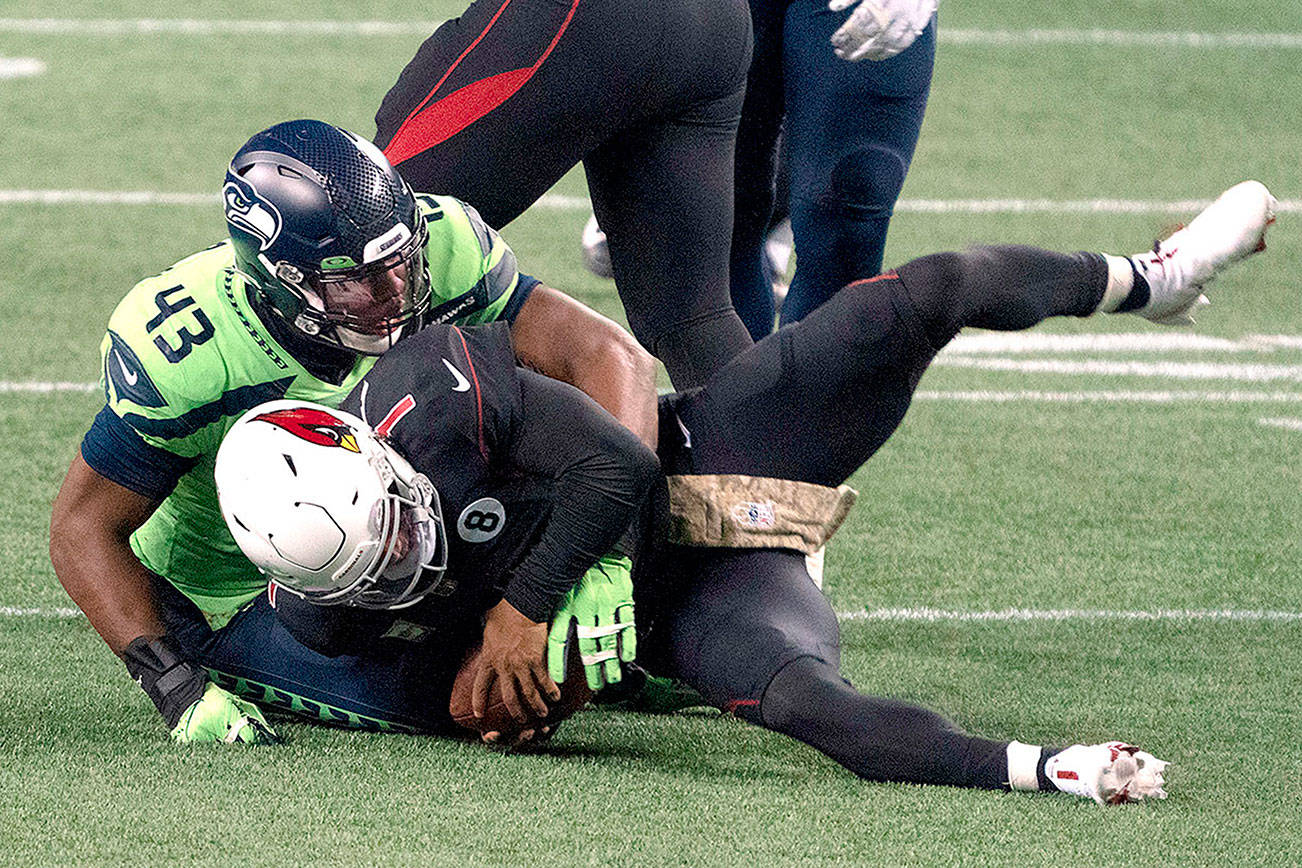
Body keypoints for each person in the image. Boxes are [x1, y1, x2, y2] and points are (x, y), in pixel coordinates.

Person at [215, 181, 1275, 799]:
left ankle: (1153, 278)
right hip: (690, 611)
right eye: (383, 571)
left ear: (378, 454)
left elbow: (617, 465)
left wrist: (541, 594)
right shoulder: (323, 618)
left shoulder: (435, 386)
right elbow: (466, 699)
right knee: (811, 708)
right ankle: (1054, 768)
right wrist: (507, 703)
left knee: (923, 294)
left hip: (696, 454)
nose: (409, 556)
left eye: (400, 528)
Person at [48, 119, 658, 745]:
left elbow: (613, 358)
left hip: (407, 522)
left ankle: (646, 634)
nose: (395, 291)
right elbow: (82, 527)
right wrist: (173, 684)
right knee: (484, 705)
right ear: (280, 280)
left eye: (399, 261)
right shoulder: (192, 353)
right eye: (354, 280)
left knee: (622, 481)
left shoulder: (436, 252)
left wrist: (607, 554)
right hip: (251, 590)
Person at [372, 0, 757, 389]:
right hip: (715, 21)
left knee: (369, 231)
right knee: (694, 320)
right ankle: (769, 450)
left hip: (585, 18)